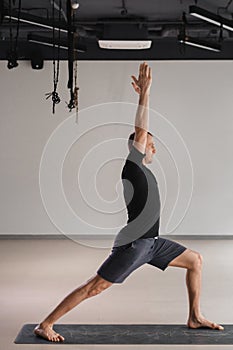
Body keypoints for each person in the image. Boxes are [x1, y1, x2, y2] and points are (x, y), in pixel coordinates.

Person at [34, 62, 224, 342]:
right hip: (135, 244)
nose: (153, 146)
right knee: (96, 286)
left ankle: (195, 316)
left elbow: (144, 136)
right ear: (137, 144)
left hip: (153, 242)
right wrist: (144, 95)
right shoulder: (132, 167)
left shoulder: (144, 170)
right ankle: (46, 324)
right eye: (148, 142)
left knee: (195, 260)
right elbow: (141, 128)